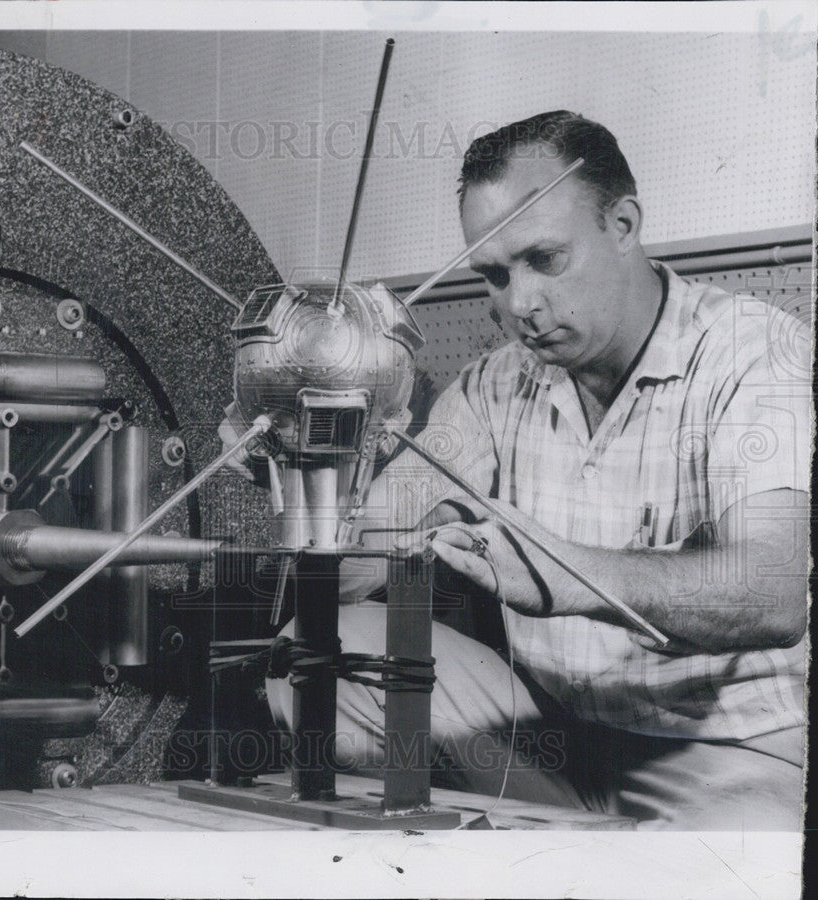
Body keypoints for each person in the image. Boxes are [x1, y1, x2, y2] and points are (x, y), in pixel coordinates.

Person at [230, 111, 810, 830]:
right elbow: (357, 562)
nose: (520, 305)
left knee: (728, 866)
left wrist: (570, 576)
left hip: (723, 752)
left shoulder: (751, 352)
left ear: (623, 224)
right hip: (548, 738)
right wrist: (306, 472)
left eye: (546, 259)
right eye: (494, 276)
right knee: (317, 655)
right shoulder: (492, 387)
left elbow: (773, 596)